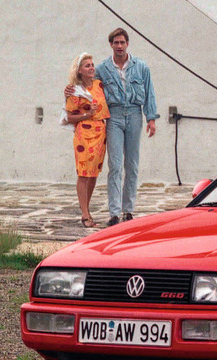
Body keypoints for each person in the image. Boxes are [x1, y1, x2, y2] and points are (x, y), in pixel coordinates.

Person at [65, 27, 159, 227]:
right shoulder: (103, 68)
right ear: (111, 45)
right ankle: (114, 212)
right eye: (115, 43)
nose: (119, 46)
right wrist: (69, 90)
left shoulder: (141, 67)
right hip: (114, 117)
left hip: (134, 114)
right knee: (115, 165)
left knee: (132, 164)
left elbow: (150, 92)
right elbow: (85, 81)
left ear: (127, 44)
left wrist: (151, 118)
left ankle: (128, 210)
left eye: (122, 42)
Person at [63, 53, 110, 228]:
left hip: (100, 133)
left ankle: (87, 209)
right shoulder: (75, 91)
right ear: (79, 71)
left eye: (92, 65)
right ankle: (84, 214)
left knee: (93, 174)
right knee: (83, 173)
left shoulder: (99, 85)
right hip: (84, 134)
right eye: (87, 66)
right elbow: (69, 117)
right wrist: (87, 114)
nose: (91, 68)